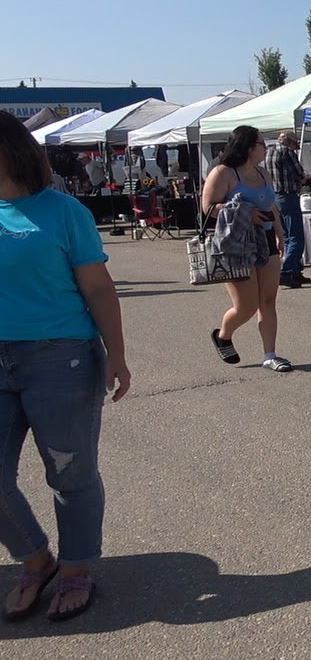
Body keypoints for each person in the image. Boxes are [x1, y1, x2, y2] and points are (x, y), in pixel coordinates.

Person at [0, 111, 131, 622]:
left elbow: (98, 287)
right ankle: (37, 560)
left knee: (69, 471)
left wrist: (116, 354)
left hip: (59, 356)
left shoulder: (62, 211)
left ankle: (75, 569)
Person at [201, 125, 292, 373]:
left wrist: (280, 232)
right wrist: (243, 212)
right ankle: (223, 335)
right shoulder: (223, 173)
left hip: (266, 240)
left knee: (268, 300)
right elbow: (207, 207)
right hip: (236, 244)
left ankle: (270, 355)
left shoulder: (263, 173)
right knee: (247, 306)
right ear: (250, 147)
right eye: (262, 144)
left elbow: (271, 205)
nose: (266, 148)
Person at [265, 131, 311, 289]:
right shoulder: (287, 152)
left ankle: (295, 271)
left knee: (286, 236)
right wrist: (303, 178)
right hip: (288, 195)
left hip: (274, 196)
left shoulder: (269, 152)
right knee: (296, 237)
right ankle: (287, 271)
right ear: (289, 142)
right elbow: (299, 174)